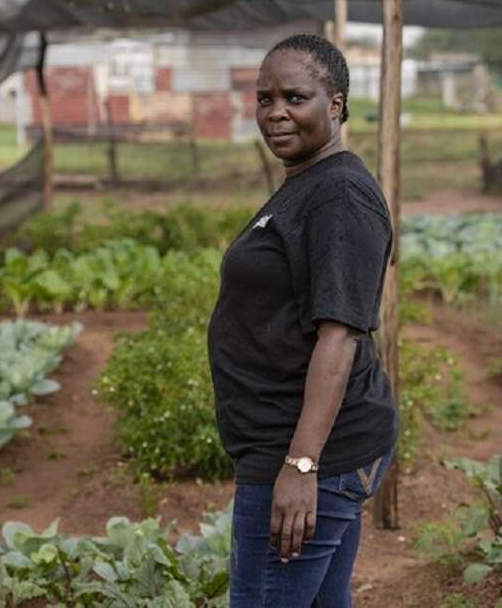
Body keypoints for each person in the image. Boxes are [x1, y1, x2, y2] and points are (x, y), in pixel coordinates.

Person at [207, 34, 398, 607]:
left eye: (295, 97)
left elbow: (339, 337)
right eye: (264, 99)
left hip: (308, 452)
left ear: (335, 104)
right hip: (299, 447)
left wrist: (300, 466)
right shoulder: (307, 183)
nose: (275, 113)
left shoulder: (339, 195)